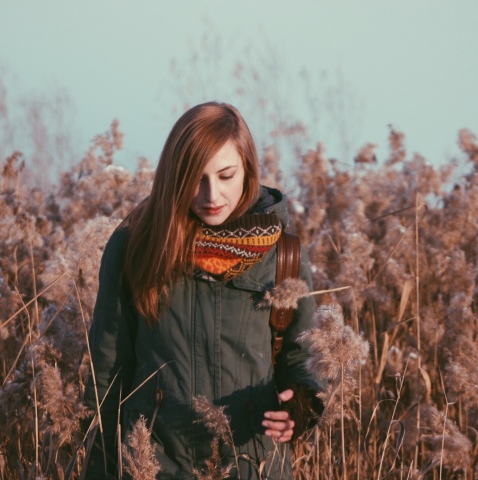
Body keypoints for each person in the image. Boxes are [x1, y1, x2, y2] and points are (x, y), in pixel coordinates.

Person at [83, 102, 322, 479]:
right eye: (196, 177)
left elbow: (304, 357)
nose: (212, 194)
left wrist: (300, 406)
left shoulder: (283, 254)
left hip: (251, 467)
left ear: (248, 169)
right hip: (154, 468)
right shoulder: (137, 246)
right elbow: (108, 374)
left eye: (226, 175)